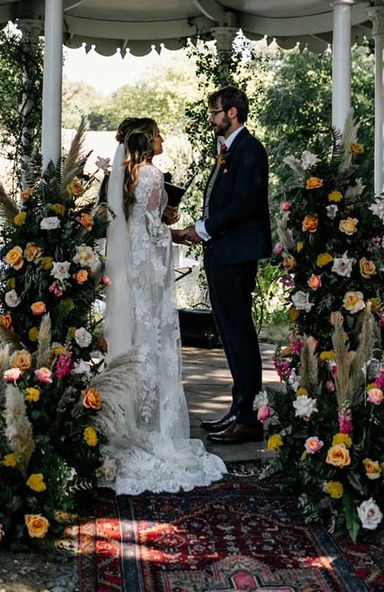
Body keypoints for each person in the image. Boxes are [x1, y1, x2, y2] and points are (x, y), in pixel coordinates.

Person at [102, 117, 227, 494]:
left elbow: (131, 222)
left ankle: (126, 416)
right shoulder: (153, 176)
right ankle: (154, 425)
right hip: (152, 270)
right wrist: (175, 229)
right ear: (146, 141)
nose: (162, 139)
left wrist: (158, 220)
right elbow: (154, 229)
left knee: (136, 336)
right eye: (158, 134)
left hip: (130, 272)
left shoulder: (124, 176)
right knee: (154, 340)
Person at [176, 86, 272, 445]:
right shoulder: (229, 151)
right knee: (229, 334)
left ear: (232, 112)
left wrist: (201, 229)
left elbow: (245, 204)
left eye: (215, 112)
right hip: (223, 252)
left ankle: (247, 417)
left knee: (239, 333)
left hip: (236, 254)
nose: (211, 119)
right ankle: (238, 409)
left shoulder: (250, 150)